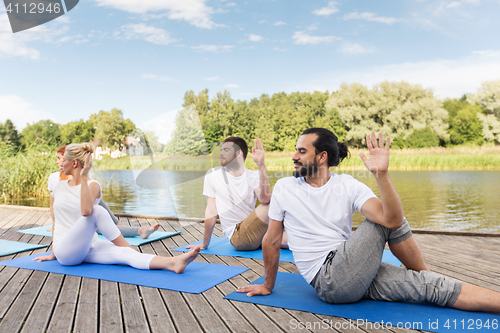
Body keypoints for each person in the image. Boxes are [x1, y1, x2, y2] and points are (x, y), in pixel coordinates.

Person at [238, 128, 500, 313]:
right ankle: (424, 271)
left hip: (353, 271)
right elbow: (271, 240)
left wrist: (381, 175)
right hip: (329, 279)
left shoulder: (347, 185)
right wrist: (267, 285)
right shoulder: (285, 187)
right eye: (296, 150)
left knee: (431, 288)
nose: (294, 156)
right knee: (382, 221)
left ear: (322, 157)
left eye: (301, 151)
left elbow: (394, 219)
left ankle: (429, 277)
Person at [35, 143, 200, 274]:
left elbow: (85, 211)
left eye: (63, 160)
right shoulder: (59, 187)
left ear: (74, 163)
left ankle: (173, 263)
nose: (61, 163)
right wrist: (52, 254)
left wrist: (84, 177)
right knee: (98, 211)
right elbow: (59, 220)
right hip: (65, 252)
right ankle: (129, 246)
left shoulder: (92, 186)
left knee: (124, 255)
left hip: (88, 246)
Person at [187, 137, 287, 252]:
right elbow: (211, 210)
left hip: (259, 232)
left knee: (299, 240)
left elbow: (264, 198)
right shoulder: (213, 175)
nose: (220, 153)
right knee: (278, 199)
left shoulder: (254, 175)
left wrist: (261, 165)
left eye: (226, 150)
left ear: (239, 153)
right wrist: (204, 243)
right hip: (238, 236)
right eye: (221, 150)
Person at [48, 145, 160, 239]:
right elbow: (53, 206)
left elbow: (90, 206)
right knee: (99, 225)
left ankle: (121, 225)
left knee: (98, 209)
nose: (58, 162)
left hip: (85, 212)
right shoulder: (55, 179)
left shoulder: (87, 180)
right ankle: (136, 230)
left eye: (61, 158)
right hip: (74, 221)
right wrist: (56, 226)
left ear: (73, 162)